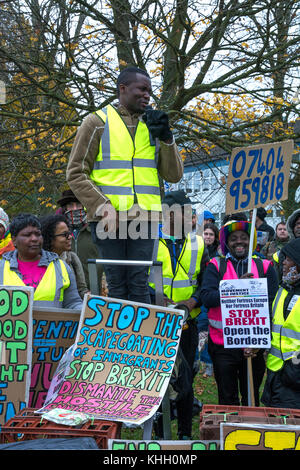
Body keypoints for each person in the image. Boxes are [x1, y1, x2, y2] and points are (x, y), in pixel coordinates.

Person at [66, 66, 183, 304]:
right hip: (109, 219)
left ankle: (142, 342)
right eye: (141, 89)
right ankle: (117, 341)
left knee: (139, 284)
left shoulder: (153, 124)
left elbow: (173, 175)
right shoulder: (96, 122)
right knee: (117, 285)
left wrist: (168, 138)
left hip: (145, 219)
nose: (147, 95)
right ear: (123, 89)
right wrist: (102, 206)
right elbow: (76, 172)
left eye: (150, 91)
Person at [148, 190, 209, 440]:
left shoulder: (199, 243)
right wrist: (155, 299)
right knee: (155, 382)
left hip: (186, 323)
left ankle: (184, 433)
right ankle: (158, 435)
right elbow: (137, 279)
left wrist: (192, 301)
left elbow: (207, 282)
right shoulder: (149, 241)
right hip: (155, 322)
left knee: (185, 381)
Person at [200, 220, 278, 406]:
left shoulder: (265, 267)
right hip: (223, 346)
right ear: (227, 243)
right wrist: (237, 289)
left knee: (251, 399)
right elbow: (207, 297)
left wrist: (260, 344)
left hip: (254, 345)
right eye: (234, 239)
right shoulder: (215, 266)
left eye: (244, 238)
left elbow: (272, 304)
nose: (239, 242)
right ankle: (229, 433)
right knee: (227, 398)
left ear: (251, 242)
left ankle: (250, 433)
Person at [0, 213, 82, 309]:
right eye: (27, 235)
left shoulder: (61, 268)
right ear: (14, 240)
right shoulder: (2, 268)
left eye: (38, 234)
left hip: (52, 324)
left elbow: (73, 303)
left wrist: (87, 313)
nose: (34, 239)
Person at [262, 238, 300, 409]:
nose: (283, 263)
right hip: (274, 375)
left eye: (289, 259)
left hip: (294, 381)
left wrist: (294, 371)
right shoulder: (283, 289)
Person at [57, 189, 103, 292]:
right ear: (65, 208)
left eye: (78, 204)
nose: (75, 209)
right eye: (70, 205)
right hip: (65, 292)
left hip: (94, 292)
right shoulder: (56, 234)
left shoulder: (97, 230)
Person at [41, 214, 89, 299]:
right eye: (65, 235)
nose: (70, 237)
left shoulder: (73, 258)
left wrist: (90, 298)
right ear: (49, 238)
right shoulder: (39, 261)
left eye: (69, 233)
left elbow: (81, 290)